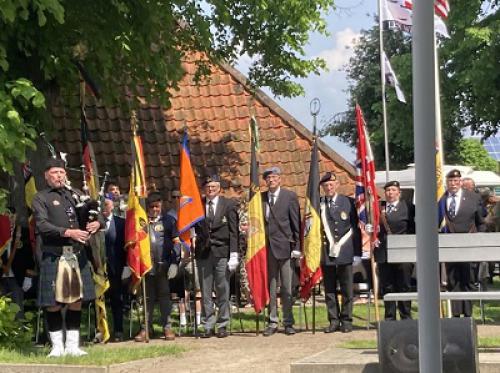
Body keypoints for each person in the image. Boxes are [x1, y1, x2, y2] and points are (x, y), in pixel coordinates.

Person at [32, 158, 102, 357]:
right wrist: (68, 232)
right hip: (53, 256)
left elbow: (96, 213)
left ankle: (72, 346)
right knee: (53, 302)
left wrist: (97, 223)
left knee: (76, 300)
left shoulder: (76, 195)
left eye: (61, 172)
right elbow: (42, 226)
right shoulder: (41, 198)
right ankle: (57, 347)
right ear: (46, 176)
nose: (59, 176)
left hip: (76, 256)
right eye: (54, 173)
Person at [195, 175, 239, 338]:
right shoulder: (197, 204)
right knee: (205, 291)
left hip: (222, 252)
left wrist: (234, 254)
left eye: (213, 186)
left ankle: (223, 324)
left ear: (219, 188)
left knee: (222, 289)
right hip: (203, 253)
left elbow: (234, 231)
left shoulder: (228, 204)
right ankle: (208, 324)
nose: (210, 189)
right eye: (208, 187)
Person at [319, 172, 361, 333]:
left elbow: (355, 228)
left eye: (331, 185)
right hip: (326, 251)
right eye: (325, 186)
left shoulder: (348, 202)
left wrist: (357, 252)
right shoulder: (319, 203)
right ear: (322, 188)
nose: (329, 188)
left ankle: (347, 320)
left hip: (345, 250)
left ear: (337, 185)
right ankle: (333, 320)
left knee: (347, 288)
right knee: (329, 289)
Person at [440, 169, 485, 317]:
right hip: (450, 246)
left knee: (468, 281)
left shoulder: (473, 198)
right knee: (453, 282)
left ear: (460, 182)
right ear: (447, 183)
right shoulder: (442, 200)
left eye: (456, 181)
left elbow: (480, 222)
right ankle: (456, 315)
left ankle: (468, 315)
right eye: (450, 181)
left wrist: (479, 241)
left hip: (468, 245)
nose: (453, 184)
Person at [261, 167, 301, 336]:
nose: (271, 180)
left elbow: (295, 222)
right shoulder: (261, 198)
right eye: (268, 178)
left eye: (274, 177)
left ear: (279, 179)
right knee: (270, 286)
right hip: (267, 248)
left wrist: (298, 246)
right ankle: (272, 320)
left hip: (285, 247)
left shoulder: (289, 197)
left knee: (287, 286)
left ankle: (289, 321)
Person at [134, 192, 176, 342]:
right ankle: (146, 328)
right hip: (146, 266)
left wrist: (175, 263)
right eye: (151, 207)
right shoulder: (141, 222)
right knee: (147, 298)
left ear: (161, 205)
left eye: (157, 206)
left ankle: (167, 327)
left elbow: (177, 243)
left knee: (165, 298)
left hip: (164, 266)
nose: (154, 210)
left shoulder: (169, 221)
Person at [376, 180, 415, 321]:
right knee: (387, 286)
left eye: (393, 190)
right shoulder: (379, 208)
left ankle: (406, 315)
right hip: (384, 252)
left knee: (404, 285)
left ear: (399, 192)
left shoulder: (409, 207)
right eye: (388, 190)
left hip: (403, 252)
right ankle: (390, 317)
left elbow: (413, 229)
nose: (390, 193)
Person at [102, 199, 126, 342]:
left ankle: (118, 330)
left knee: (117, 299)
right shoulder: (94, 222)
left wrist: (127, 266)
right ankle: (100, 330)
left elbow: (126, 246)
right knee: (99, 300)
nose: (105, 207)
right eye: (102, 204)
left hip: (117, 267)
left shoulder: (120, 222)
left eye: (107, 204)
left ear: (113, 206)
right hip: (99, 267)